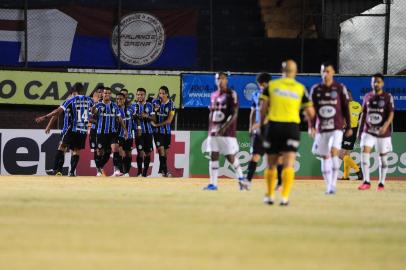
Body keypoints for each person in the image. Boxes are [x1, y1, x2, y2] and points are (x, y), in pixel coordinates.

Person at [260, 60, 315, 205]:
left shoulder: (272, 86)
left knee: (271, 164)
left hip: (273, 126)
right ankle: (284, 197)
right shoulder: (300, 88)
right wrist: (307, 118)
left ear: (282, 71)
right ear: (295, 72)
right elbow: (311, 112)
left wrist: (261, 125)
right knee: (288, 164)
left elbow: (262, 107)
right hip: (291, 127)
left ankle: (270, 196)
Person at [309, 62, 352, 195]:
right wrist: (311, 126)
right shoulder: (316, 89)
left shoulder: (340, 88)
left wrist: (349, 126)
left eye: (328, 71)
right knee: (324, 156)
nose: (325, 74)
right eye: (323, 71)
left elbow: (345, 108)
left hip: (336, 127)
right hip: (321, 128)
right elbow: (311, 110)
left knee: (334, 152)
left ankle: (333, 185)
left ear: (333, 72)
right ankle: (328, 185)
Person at [35, 83, 93, 176]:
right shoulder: (90, 100)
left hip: (70, 128)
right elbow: (93, 112)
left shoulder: (70, 100)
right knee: (76, 150)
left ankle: (56, 170)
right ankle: (71, 172)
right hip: (83, 130)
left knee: (62, 146)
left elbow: (57, 112)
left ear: (74, 92)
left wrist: (45, 117)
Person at [204, 72, 247, 191]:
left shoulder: (231, 94)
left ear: (226, 80)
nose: (220, 81)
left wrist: (224, 127)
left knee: (230, 157)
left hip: (227, 132)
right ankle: (213, 184)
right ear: (215, 81)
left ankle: (241, 179)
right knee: (213, 155)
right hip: (213, 132)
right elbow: (211, 113)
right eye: (218, 79)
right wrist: (210, 129)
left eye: (222, 78)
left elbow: (235, 113)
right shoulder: (213, 95)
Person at [358, 73, 394, 191]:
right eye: (373, 81)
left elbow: (391, 114)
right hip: (368, 130)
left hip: (382, 132)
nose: (375, 84)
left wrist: (385, 126)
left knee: (382, 158)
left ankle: (381, 183)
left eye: (378, 82)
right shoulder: (367, 96)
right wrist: (359, 131)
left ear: (382, 83)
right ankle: (366, 181)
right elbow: (363, 114)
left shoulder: (388, 97)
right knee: (364, 152)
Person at [91, 87, 128, 176]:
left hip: (112, 132)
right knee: (99, 152)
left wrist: (125, 129)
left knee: (115, 148)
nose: (106, 95)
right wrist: (94, 105)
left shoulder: (114, 106)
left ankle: (116, 170)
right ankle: (99, 170)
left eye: (108, 93)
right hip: (101, 132)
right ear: (102, 94)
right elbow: (92, 113)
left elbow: (119, 118)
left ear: (110, 94)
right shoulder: (98, 105)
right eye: (105, 93)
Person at [246, 72, 271, 186]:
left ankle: (277, 183)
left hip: (272, 129)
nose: (260, 86)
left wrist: (261, 122)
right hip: (259, 130)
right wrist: (251, 126)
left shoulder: (274, 95)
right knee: (255, 155)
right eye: (259, 84)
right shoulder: (256, 94)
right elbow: (253, 111)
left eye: (261, 84)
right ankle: (247, 181)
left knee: (272, 157)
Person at [338, 90, 363, 180]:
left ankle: (358, 170)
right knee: (347, 154)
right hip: (354, 131)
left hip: (348, 131)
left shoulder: (345, 106)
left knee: (340, 155)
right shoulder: (358, 105)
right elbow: (360, 118)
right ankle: (346, 176)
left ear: (350, 95)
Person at [151, 86, 175, 177]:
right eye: (160, 93)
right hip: (157, 132)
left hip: (167, 132)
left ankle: (162, 170)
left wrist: (157, 124)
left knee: (165, 154)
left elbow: (169, 120)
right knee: (161, 150)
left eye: (163, 93)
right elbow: (150, 114)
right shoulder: (155, 102)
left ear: (167, 94)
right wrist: (154, 111)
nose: (161, 95)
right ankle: (166, 171)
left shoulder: (172, 105)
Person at [132, 88, 156, 177]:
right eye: (138, 94)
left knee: (148, 153)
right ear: (136, 95)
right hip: (138, 133)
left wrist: (147, 116)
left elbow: (154, 119)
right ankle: (139, 172)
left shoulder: (150, 105)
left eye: (141, 94)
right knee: (140, 152)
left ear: (145, 95)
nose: (140, 96)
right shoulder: (133, 106)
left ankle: (145, 173)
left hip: (148, 132)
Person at [116, 92, 135, 177]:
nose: (119, 100)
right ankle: (121, 170)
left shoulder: (131, 109)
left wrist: (138, 127)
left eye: (121, 99)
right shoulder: (115, 109)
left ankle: (127, 172)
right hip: (119, 135)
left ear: (124, 100)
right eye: (117, 99)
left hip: (130, 135)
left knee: (128, 154)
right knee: (121, 152)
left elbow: (135, 119)